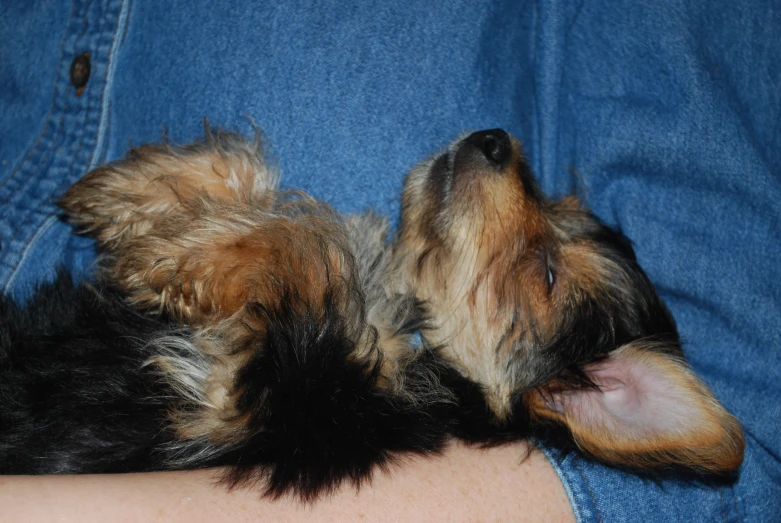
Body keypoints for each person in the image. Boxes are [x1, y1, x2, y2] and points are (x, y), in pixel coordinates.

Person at [1, 1, 779, 521]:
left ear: (581, 397)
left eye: (541, 273)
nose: (506, 157)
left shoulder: (348, 364)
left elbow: (741, 465)